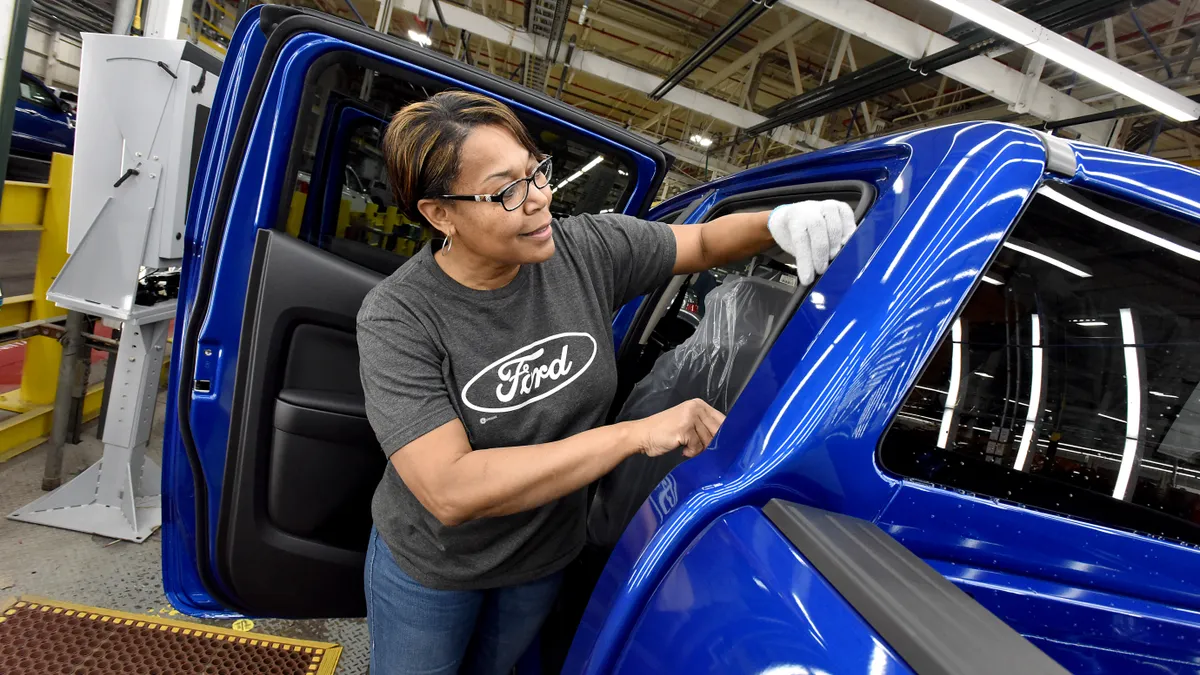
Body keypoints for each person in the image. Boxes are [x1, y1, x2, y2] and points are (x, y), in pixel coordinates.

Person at [357, 90, 856, 675]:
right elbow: (451, 489)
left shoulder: (584, 250)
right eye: (506, 191)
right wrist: (633, 435)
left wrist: (778, 222)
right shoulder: (400, 315)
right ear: (440, 214)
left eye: (536, 173)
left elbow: (699, 242)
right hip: (436, 569)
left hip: (542, 559)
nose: (540, 201)